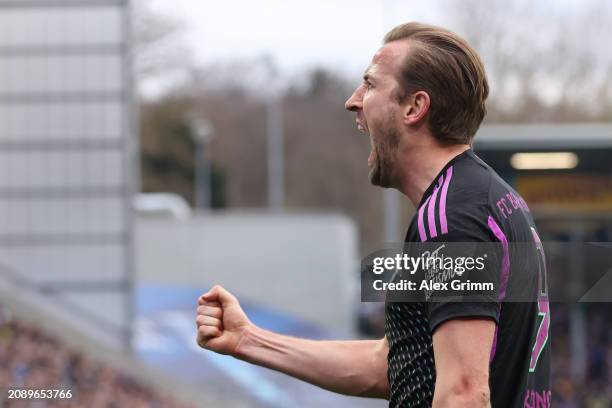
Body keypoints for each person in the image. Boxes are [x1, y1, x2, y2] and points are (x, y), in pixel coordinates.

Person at [195, 22, 551, 408]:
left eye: (370, 84)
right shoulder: (483, 199)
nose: (353, 100)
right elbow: (390, 365)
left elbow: (464, 394)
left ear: (414, 107)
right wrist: (248, 339)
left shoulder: (454, 216)